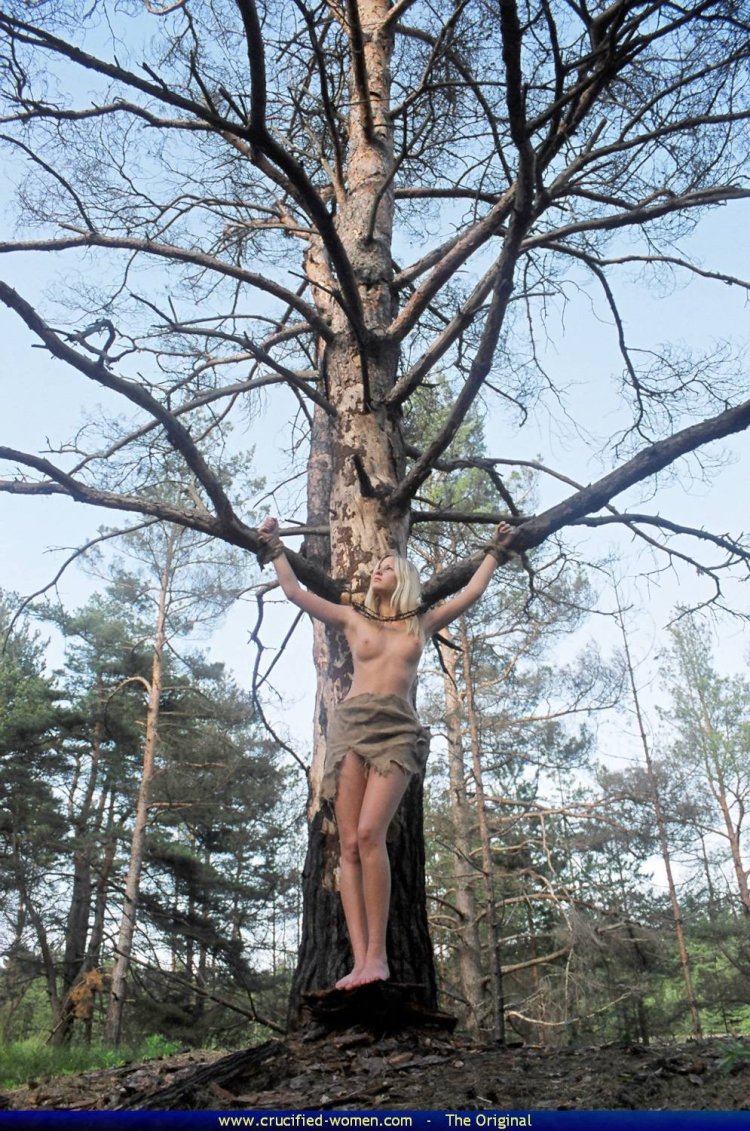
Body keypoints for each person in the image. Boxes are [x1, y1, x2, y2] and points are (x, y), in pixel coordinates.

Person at [256, 516, 515, 989]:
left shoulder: (422, 622)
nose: (377, 570)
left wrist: (494, 551)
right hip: (351, 727)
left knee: (372, 832)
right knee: (350, 843)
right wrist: (274, 548)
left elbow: (471, 594)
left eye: (388, 567)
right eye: (376, 566)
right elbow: (296, 594)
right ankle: (361, 963)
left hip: (397, 729)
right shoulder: (353, 618)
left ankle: (379, 957)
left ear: (405, 580)